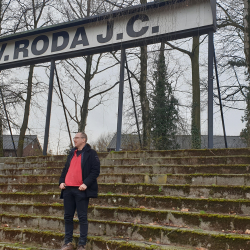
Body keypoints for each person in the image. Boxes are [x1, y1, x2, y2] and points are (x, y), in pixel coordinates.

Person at [59, 132, 100, 250]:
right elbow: (65, 169)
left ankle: (82, 244)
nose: (74, 139)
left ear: (84, 140)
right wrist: (61, 181)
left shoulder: (91, 154)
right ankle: (68, 243)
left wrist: (85, 184)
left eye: (76, 138)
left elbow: (95, 171)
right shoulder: (72, 153)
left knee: (82, 217)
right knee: (67, 217)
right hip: (67, 189)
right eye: (74, 137)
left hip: (80, 190)